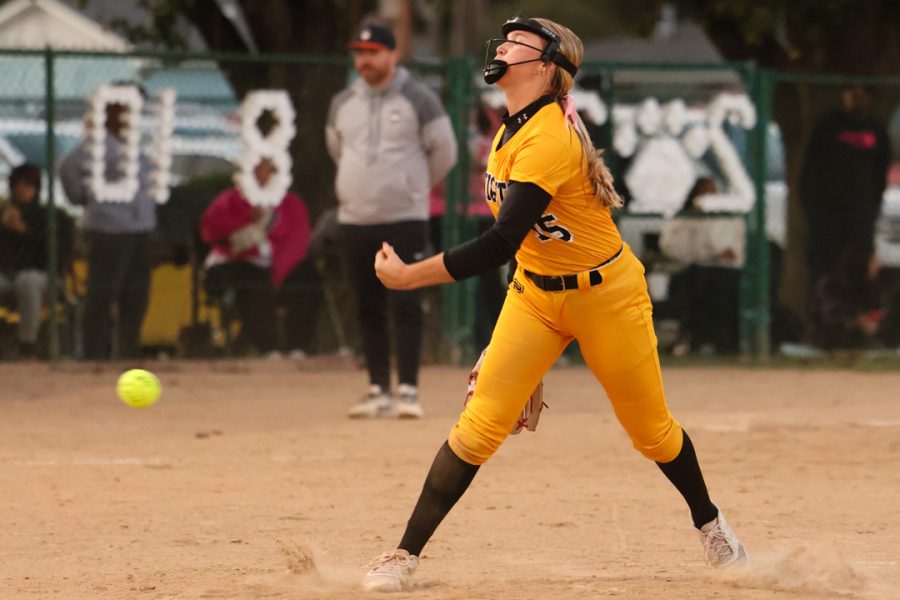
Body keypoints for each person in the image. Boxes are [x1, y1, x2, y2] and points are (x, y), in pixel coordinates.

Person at [362, 16, 748, 592]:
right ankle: (402, 556)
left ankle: (712, 525)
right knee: (478, 428)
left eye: (521, 42)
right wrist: (529, 362)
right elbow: (528, 248)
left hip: (607, 297)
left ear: (547, 68)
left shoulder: (547, 137)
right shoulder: (508, 131)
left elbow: (497, 244)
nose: (506, 46)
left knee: (651, 432)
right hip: (537, 296)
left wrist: (410, 277)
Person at [326, 20, 457, 419]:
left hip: (404, 219)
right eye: (359, 53)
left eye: (372, 52)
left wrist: (409, 190)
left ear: (392, 54)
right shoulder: (342, 102)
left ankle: (409, 391)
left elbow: (445, 154)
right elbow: (336, 149)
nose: (364, 60)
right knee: (366, 304)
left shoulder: (420, 99)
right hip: (355, 219)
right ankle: (378, 388)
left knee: (407, 303)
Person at [59, 83, 156, 360]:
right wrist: (84, 198)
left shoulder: (133, 142)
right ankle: (93, 356)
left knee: (136, 296)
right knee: (102, 294)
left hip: (139, 228)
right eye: (129, 107)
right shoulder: (97, 143)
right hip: (108, 229)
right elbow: (68, 169)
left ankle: (127, 353)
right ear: (114, 109)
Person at [200, 158, 313, 357]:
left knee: (307, 278)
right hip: (237, 264)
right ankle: (269, 348)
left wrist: (278, 273)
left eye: (267, 167)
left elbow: (297, 241)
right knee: (251, 281)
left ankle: (298, 346)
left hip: (278, 264)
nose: (262, 172)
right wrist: (248, 224)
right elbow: (210, 231)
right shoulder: (230, 199)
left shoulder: (290, 203)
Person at [800, 85, 891, 290]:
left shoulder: (876, 128)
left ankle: (854, 309)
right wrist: (814, 205)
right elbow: (812, 166)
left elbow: (880, 169)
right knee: (824, 266)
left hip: (861, 214)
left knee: (856, 266)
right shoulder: (827, 125)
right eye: (853, 94)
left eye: (863, 94)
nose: (858, 99)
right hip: (827, 214)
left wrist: (872, 204)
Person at [660, 177, 743, 355]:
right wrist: (694, 220)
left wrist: (722, 253)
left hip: (725, 275)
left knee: (721, 282)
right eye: (704, 193)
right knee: (697, 279)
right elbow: (674, 249)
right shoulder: (684, 218)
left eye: (713, 193)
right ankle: (693, 340)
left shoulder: (729, 218)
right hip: (694, 274)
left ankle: (721, 343)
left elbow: (735, 254)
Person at [0, 164, 72, 358]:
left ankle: (27, 346)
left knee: (27, 280)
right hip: (8, 277)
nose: (22, 190)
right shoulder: (4, 213)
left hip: (45, 279)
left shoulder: (50, 216)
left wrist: (23, 230)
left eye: (28, 185)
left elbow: (54, 252)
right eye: (17, 185)